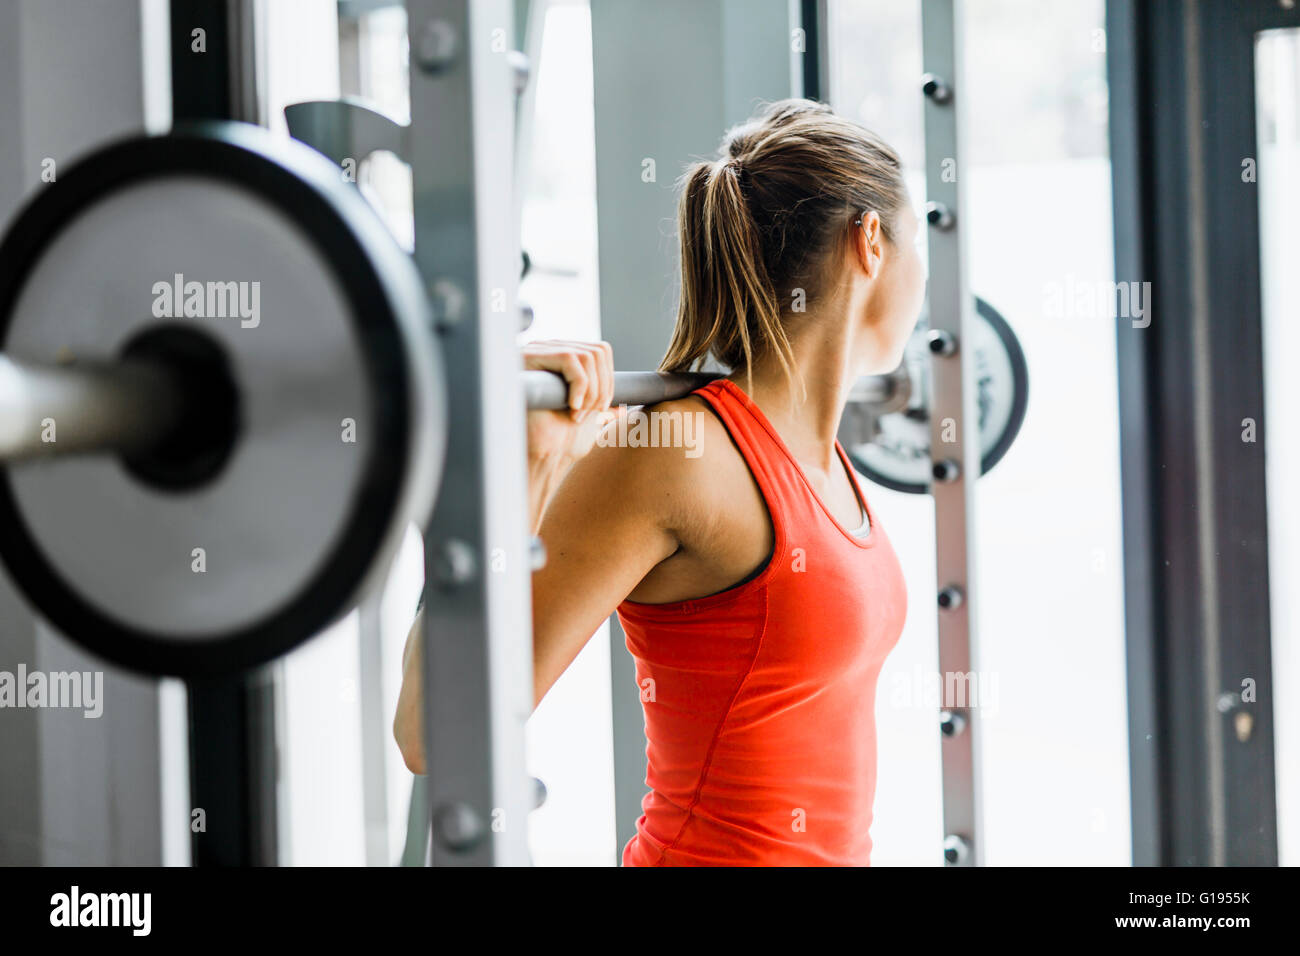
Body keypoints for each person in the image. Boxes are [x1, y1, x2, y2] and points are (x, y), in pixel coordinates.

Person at [395, 98, 924, 866]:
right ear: (870, 241)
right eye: (918, 244)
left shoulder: (823, 459)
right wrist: (528, 464)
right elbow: (429, 733)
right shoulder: (676, 455)